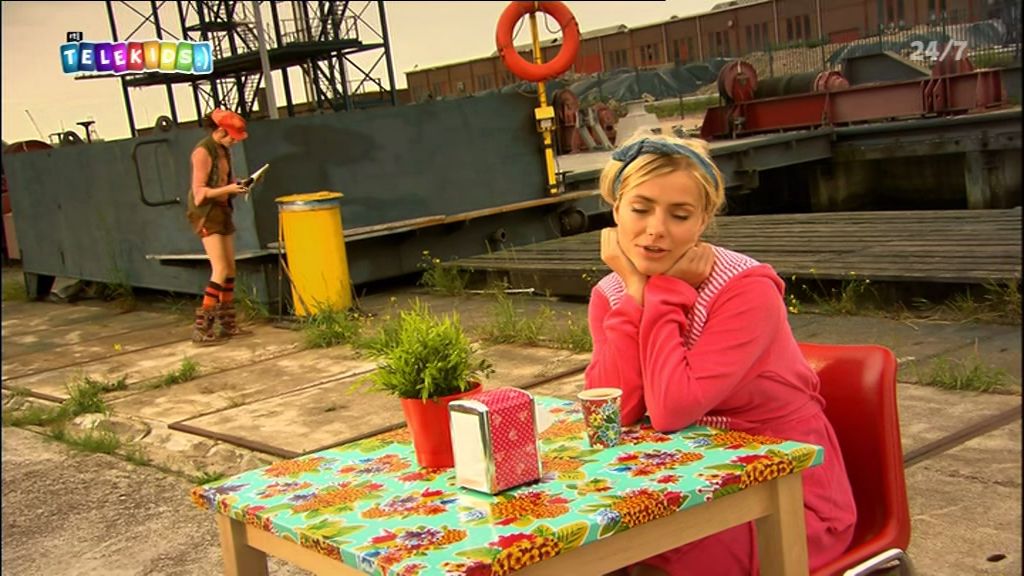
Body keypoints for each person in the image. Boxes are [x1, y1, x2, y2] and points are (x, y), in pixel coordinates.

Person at [584, 134, 856, 576]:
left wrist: (666, 295)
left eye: (679, 215)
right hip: (688, 483)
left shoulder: (746, 290)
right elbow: (614, 412)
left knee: (655, 564)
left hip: (785, 498)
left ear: (703, 220)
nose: (656, 229)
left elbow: (671, 410)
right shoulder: (611, 293)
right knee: (592, 551)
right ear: (616, 210)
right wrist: (634, 297)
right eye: (640, 209)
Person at [186, 108, 252, 345]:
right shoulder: (203, 152)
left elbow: (223, 180)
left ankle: (228, 324)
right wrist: (229, 189)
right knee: (220, 268)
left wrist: (237, 185)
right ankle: (202, 327)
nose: (235, 141)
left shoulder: (223, 150)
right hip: (207, 213)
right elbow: (200, 194)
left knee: (230, 269)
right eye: (232, 137)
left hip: (223, 209)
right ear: (221, 131)